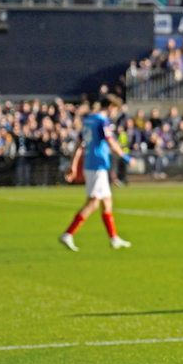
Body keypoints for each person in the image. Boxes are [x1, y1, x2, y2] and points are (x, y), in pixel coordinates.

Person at [60, 95, 132, 251]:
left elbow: (79, 144)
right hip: (97, 166)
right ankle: (68, 234)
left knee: (107, 202)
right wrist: (126, 158)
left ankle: (114, 238)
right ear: (111, 106)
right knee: (93, 203)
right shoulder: (102, 121)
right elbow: (110, 141)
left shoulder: (88, 120)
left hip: (92, 165)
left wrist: (73, 165)